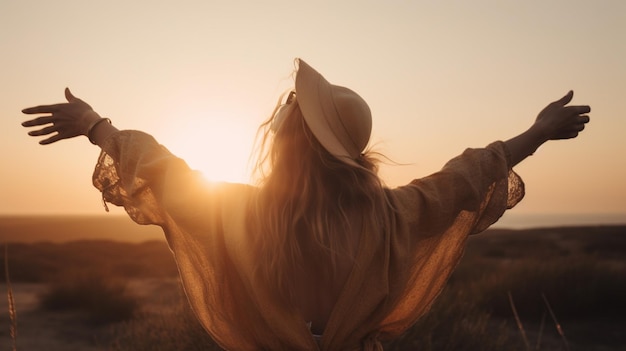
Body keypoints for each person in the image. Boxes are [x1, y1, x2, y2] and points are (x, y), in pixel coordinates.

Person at [21, 59, 590, 351]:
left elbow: (163, 173)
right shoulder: (398, 216)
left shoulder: (238, 215)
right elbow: (472, 175)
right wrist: (537, 131)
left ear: (290, 141)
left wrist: (97, 126)